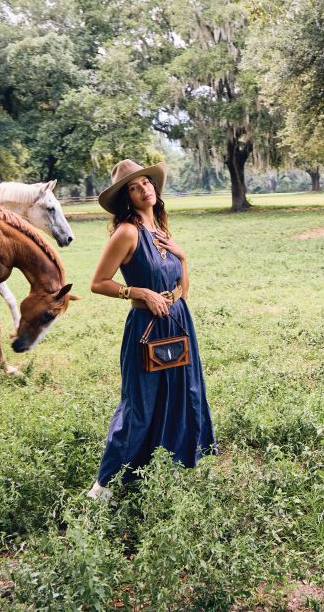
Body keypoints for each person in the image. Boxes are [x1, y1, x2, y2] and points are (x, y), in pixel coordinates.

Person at [86, 159, 217, 500]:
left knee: (180, 395)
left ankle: (172, 467)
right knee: (140, 403)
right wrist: (139, 292)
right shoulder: (127, 233)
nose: (144, 189)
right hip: (146, 327)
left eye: (146, 182)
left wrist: (183, 258)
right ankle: (104, 485)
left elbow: (183, 291)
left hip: (178, 321)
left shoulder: (162, 232)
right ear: (127, 198)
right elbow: (98, 283)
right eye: (134, 186)